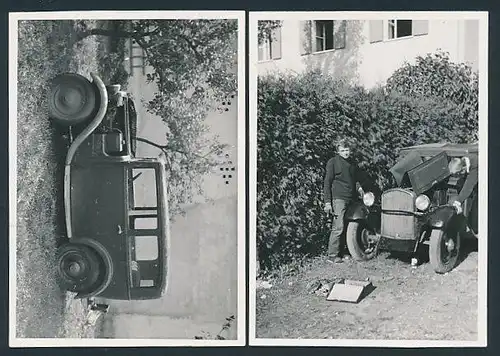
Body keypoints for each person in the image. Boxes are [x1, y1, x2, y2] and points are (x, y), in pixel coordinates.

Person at [323, 139, 369, 263]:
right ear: (338, 152)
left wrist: (360, 189)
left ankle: (343, 253)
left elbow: (355, 181)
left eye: (347, 150)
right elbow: (327, 182)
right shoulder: (333, 162)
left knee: (347, 226)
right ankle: (332, 256)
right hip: (339, 199)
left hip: (351, 199)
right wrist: (327, 202)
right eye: (342, 150)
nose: (345, 152)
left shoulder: (352, 164)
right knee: (338, 227)